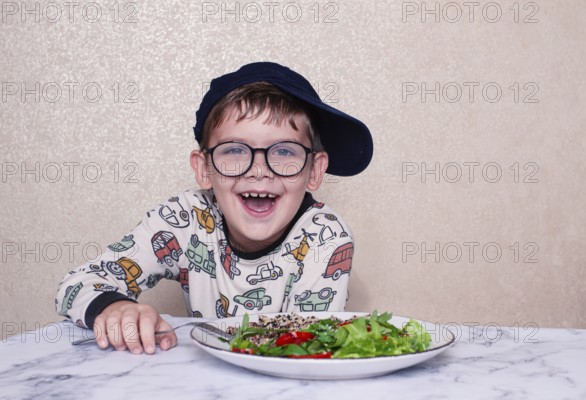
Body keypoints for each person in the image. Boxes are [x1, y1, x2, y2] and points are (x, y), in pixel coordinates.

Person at [55, 62, 373, 354]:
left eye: (284, 151)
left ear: (314, 171)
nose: (259, 170)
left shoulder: (324, 236)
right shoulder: (186, 219)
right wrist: (112, 306)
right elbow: (75, 284)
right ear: (204, 169)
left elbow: (304, 346)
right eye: (235, 149)